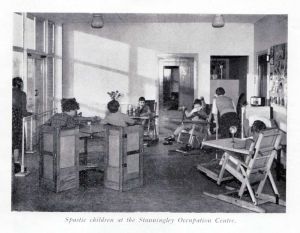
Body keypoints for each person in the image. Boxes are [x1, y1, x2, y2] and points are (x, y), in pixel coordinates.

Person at [12, 77, 32, 164]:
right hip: (16, 120)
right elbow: (24, 112)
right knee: (16, 141)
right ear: (19, 84)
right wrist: (31, 113)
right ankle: (16, 163)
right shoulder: (22, 94)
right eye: (22, 83)